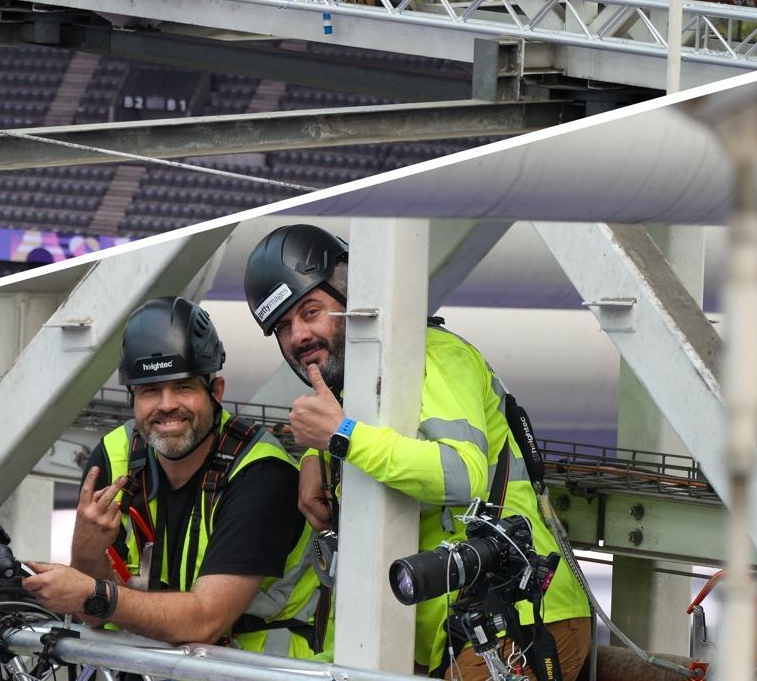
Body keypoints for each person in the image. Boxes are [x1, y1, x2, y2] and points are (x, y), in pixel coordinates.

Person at [243, 225, 593, 681]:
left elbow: (461, 475)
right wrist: (315, 458)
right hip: (451, 628)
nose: (299, 336)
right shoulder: (356, 388)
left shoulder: (432, 355)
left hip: (521, 613)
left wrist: (341, 437)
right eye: (283, 327)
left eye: (311, 311)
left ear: (350, 299)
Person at [23, 296, 324, 656]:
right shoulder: (114, 456)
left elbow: (205, 623)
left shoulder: (260, 475)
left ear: (216, 393)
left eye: (183, 387)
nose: (166, 405)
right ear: (133, 398)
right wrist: (86, 551)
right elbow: (94, 617)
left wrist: (92, 592)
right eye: (151, 390)